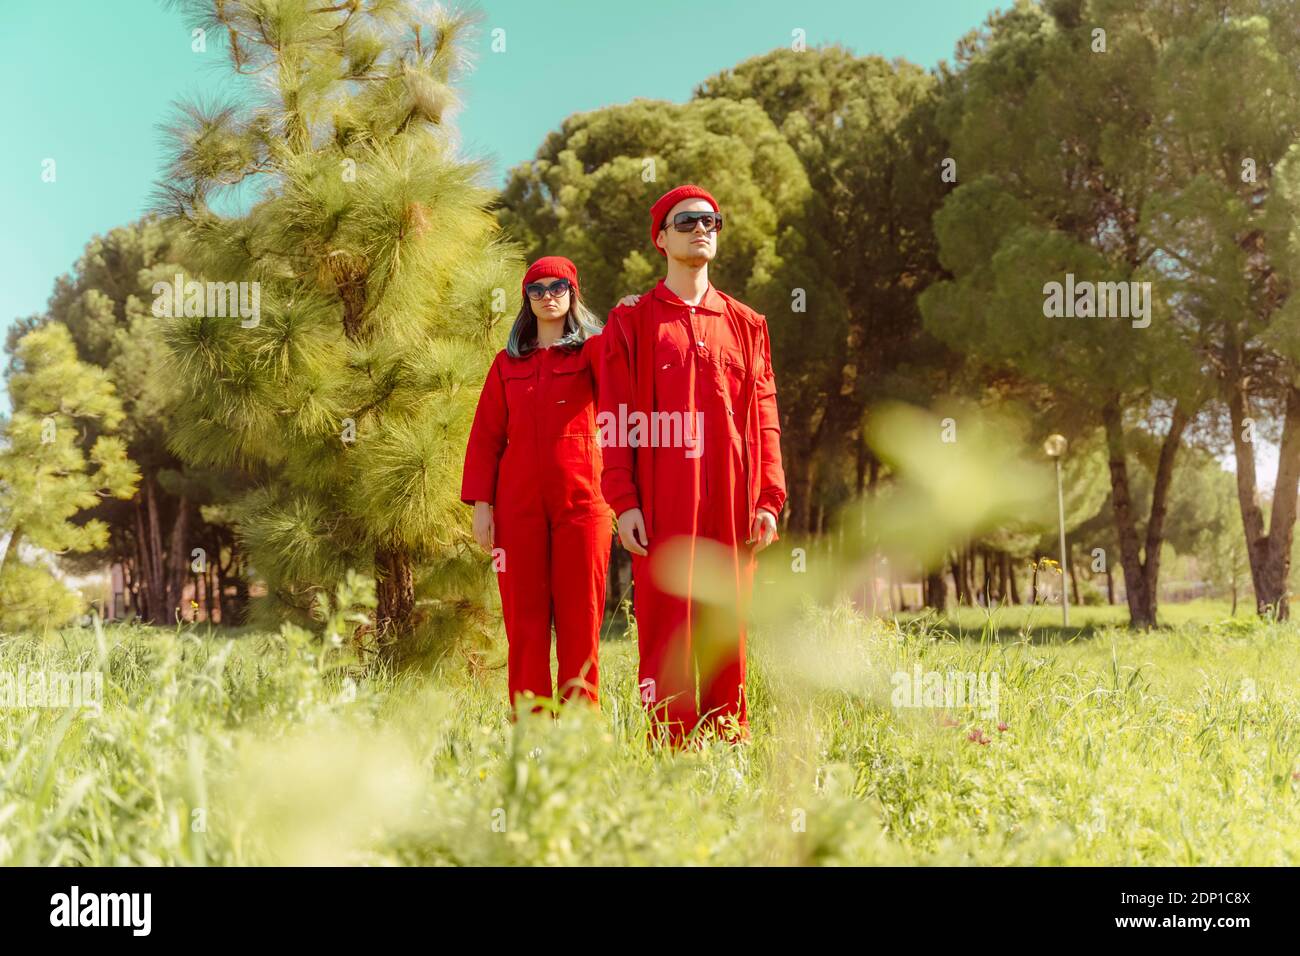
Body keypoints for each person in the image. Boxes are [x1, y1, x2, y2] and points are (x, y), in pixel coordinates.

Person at [599, 185, 786, 746]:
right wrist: (624, 500)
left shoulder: (747, 322)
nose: (702, 228)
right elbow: (614, 415)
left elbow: (765, 415)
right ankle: (670, 749)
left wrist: (768, 497)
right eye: (686, 222)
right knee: (666, 628)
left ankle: (729, 742)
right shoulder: (631, 322)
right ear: (661, 238)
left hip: (732, 496)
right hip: (661, 498)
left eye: (711, 220)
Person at [461, 256, 612, 711]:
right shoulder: (507, 364)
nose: (549, 296)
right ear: (526, 300)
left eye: (559, 287)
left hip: (584, 504)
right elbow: (486, 437)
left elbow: (625, 402)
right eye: (538, 289)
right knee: (525, 625)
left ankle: (579, 732)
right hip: (517, 507)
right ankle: (530, 729)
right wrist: (482, 505)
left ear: (573, 293)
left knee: (579, 623)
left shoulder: (592, 354)